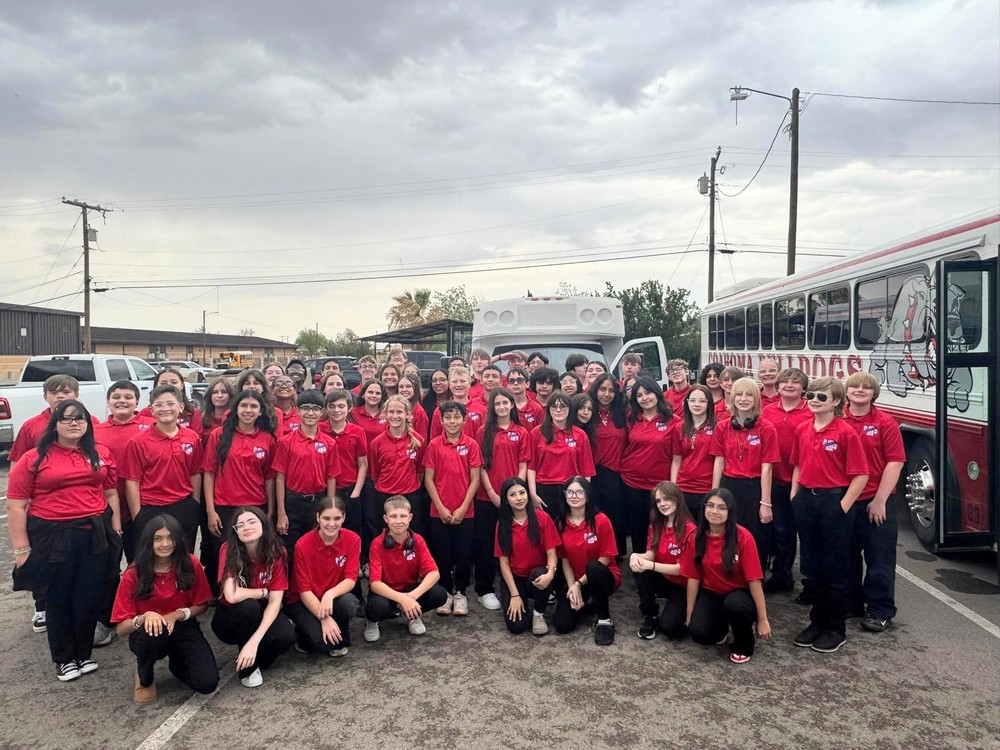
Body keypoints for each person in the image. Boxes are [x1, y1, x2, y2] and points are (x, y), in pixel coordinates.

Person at [7, 400, 121, 681]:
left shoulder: (100, 453)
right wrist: (22, 549)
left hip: (93, 535)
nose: (74, 423)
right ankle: (64, 658)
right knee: (58, 598)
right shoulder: (33, 458)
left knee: (87, 596)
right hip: (53, 537)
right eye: (67, 418)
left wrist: (116, 529)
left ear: (88, 423)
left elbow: (110, 494)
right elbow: (16, 505)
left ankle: (83, 653)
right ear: (54, 423)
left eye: (80, 418)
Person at [789, 377, 869, 653]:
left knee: (835, 569)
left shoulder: (846, 432)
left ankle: (835, 627)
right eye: (811, 395)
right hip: (806, 502)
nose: (813, 400)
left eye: (821, 397)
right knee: (812, 566)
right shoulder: (802, 428)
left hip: (833, 502)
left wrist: (842, 507)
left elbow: (861, 475)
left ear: (836, 401)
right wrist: (795, 496)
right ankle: (816, 621)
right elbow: (798, 465)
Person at [111, 515, 218, 705]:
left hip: (182, 626)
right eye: (158, 538)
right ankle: (145, 675)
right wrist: (144, 617)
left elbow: (202, 605)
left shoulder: (190, 563)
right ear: (148, 541)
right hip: (147, 633)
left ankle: (177, 661)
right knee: (152, 632)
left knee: (207, 683)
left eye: (170, 537)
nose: (165, 544)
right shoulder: (133, 573)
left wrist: (177, 614)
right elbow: (121, 629)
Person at [843, 372, 904, 633]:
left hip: (874, 500)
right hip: (844, 500)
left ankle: (879, 610)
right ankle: (852, 602)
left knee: (879, 559)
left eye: (866, 387)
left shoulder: (885, 423)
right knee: (846, 557)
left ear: (874, 393)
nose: (859, 390)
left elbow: (895, 462)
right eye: (854, 386)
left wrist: (880, 500)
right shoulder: (835, 419)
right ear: (845, 391)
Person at [682, 488, 771, 664]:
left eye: (722, 508)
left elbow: (754, 580)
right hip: (711, 592)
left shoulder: (743, 537)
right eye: (711, 506)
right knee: (700, 633)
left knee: (735, 605)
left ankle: (743, 643)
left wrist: (763, 619)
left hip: (740, 593)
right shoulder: (695, 537)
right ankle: (721, 627)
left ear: (730, 511)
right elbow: (693, 577)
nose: (715, 511)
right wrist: (689, 614)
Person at [202, 390, 277, 597]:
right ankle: (224, 596)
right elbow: (209, 473)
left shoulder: (267, 439)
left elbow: (269, 477)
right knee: (226, 553)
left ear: (260, 411)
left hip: (256, 506)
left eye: (254, 406)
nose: (248, 410)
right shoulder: (219, 435)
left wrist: (269, 511)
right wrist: (210, 510)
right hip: (224, 506)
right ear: (235, 408)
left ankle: (251, 593)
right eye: (244, 405)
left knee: (253, 553)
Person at [212, 507, 295, 687]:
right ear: (235, 531)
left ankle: (252, 652)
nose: (246, 527)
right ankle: (248, 668)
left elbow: (275, 602)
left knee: (285, 637)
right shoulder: (228, 549)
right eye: (239, 525)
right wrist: (263, 592)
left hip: (263, 609)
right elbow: (232, 595)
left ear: (264, 525)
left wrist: (254, 642)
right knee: (248, 606)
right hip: (230, 617)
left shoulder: (277, 552)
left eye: (252, 522)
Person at [122, 385, 204, 553]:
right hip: (151, 507)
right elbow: (132, 482)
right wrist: (138, 516)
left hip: (183, 505)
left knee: (184, 557)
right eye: (159, 405)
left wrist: (194, 505)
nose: (165, 409)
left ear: (180, 407)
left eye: (170, 404)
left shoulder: (192, 437)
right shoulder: (138, 442)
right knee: (151, 559)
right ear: (151, 410)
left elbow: (195, 473)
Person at [710, 377, 778, 573]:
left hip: (754, 488)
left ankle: (754, 577)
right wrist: (715, 493)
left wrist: (765, 503)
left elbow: (767, 467)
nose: (743, 398)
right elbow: (719, 461)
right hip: (729, 486)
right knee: (727, 533)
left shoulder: (766, 428)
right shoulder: (722, 426)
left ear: (756, 399)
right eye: (739, 394)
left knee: (755, 537)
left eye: (749, 394)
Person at [423, 402, 483, 616]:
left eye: (457, 417)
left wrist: (462, 508)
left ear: (465, 420)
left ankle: (461, 593)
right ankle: (446, 593)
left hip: (465, 511)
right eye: (447, 417)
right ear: (441, 421)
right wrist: (440, 507)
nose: (452, 421)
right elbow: (428, 479)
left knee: (464, 554)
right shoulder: (434, 445)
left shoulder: (472, 445)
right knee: (442, 553)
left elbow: (475, 479)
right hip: (438, 510)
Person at [475, 388, 531, 611]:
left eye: (505, 403)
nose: (501, 407)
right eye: (497, 403)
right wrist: (492, 493)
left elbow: (523, 464)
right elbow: (480, 465)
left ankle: (517, 586)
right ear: (492, 407)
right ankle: (484, 589)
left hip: (514, 498)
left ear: (511, 405)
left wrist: (517, 492)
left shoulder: (522, 432)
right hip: (487, 497)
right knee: (486, 544)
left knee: (514, 543)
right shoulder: (482, 432)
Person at [363, 496, 448, 642]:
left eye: (403, 516)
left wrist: (412, 597)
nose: (398, 521)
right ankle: (372, 621)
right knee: (377, 607)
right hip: (386, 592)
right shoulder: (377, 543)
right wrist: (402, 599)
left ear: (410, 518)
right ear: (385, 518)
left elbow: (434, 573)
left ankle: (412, 615)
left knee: (439, 594)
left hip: (409, 589)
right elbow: (375, 583)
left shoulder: (418, 540)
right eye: (393, 516)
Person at [285, 496, 361, 658]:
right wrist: (324, 619)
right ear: (318, 517)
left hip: (331, 598)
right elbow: (304, 591)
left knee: (349, 603)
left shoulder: (353, 539)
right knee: (319, 643)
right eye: (326, 518)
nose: (331, 524)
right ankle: (302, 633)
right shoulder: (302, 545)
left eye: (337, 518)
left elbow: (350, 579)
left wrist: (329, 594)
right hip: (304, 601)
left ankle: (338, 631)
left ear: (344, 518)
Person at [761, 368, 812, 595]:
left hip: (804, 481)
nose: (789, 385)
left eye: (795, 382)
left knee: (808, 534)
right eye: (785, 382)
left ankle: (812, 585)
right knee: (782, 532)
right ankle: (782, 576)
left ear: (804, 388)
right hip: (777, 480)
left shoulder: (811, 410)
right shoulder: (767, 411)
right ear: (778, 386)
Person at [273, 390, 339, 561]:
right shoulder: (286, 442)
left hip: (318, 501)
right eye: (306, 408)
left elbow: (331, 477)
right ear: (298, 411)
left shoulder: (329, 443)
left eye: (316, 409)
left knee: (316, 549)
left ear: (322, 412)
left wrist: (329, 508)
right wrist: (281, 513)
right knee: (290, 551)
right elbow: (279, 478)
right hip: (292, 502)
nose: (310, 413)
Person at [94, 380, 155, 565]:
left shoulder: (152, 426)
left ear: (137, 402)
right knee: (108, 563)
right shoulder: (95, 432)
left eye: (128, 397)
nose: (122, 401)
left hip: (143, 504)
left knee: (141, 561)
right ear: (108, 402)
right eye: (116, 397)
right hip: (108, 505)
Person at [554, 477, 621, 645]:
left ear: (588, 496)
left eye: (579, 492)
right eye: (569, 492)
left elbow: (605, 558)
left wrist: (578, 584)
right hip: (577, 579)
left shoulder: (601, 520)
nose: (574, 496)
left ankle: (604, 620)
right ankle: (587, 602)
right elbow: (564, 559)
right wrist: (572, 588)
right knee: (562, 625)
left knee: (593, 567)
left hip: (603, 575)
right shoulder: (561, 523)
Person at [630, 481, 695, 640]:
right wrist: (635, 556)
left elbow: (682, 569)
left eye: (666, 499)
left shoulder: (690, 530)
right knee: (639, 568)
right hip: (663, 579)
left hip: (682, 585)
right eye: (658, 501)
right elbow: (651, 554)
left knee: (670, 628)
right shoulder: (656, 525)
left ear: (677, 499)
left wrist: (650, 565)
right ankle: (650, 615)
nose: (662, 504)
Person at [495, 477, 559, 636]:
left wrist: (550, 574)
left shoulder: (543, 518)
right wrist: (515, 595)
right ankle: (522, 602)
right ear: (506, 500)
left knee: (542, 573)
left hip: (537, 575)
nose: (518, 498)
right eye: (512, 495)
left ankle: (539, 613)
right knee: (517, 627)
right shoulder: (502, 525)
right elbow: (503, 563)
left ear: (528, 495)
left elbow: (552, 554)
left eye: (522, 493)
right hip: (515, 578)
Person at [620, 378, 676, 554]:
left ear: (657, 393)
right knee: (638, 530)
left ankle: (661, 567)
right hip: (631, 483)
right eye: (639, 395)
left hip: (659, 486)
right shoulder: (631, 419)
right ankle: (639, 569)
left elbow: (677, 455)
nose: (644, 398)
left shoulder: (673, 420)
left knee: (660, 527)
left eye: (648, 392)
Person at [527, 390, 596, 518]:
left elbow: (587, 470)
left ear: (570, 409)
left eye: (563, 406)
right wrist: (533, 494)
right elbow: (531, 467)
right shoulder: (536, 433)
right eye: (554, 406)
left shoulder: (580, 435)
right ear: (548, 409)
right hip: (544, 489)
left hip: (571, 490)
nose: (558, 410)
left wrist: (583, 495)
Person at [368, 395, 426, 534]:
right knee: (385, 536)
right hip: (384, 495)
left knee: (411, 536)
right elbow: (375, 471)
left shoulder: (418, 441)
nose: (395, 416)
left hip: (411, 495)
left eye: (399, 412)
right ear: (385, 414)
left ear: (408, 415)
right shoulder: (377, 442)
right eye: (391, 412)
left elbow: (420, 470)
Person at [320, 388, 369, 550]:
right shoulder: (319, 429)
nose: (336, 410)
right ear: (326, 408)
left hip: (349, 489)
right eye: (332, 406)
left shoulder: (357, 431)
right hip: (325, 489)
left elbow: (363, 464)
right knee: (327, 530)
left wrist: (356, 492)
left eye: (341, 406)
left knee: (352, 531)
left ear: (349, 408)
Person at [588, 373, 628, 558]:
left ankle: (615, 552)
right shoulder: (587, 413)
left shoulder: (622, 413)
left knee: (615, 513)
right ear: (595, 390)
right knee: (594, 513)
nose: (606, 394)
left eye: (611, 390)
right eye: (603, 389)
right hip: (592, 472)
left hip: (616, 472)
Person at [670, 384, 717, 521]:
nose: (697, 404)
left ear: (709, 404)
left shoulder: (717, 427)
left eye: (702, 401)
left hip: (707, 489)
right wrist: (674, 487)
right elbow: (676, 459)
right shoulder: (679, 427)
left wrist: (714, 490)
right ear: (687, 403)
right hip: (684, 488)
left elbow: (719, 461)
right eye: (693, 400)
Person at [138, 368, 204, 440]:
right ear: (156, 386)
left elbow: (197, 439)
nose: (169, 385)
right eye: (163, 383)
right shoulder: (146, 413)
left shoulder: (192, 412)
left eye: (174, 382)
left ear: (182, 385)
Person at [430, 366, 485, 439]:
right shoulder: (439, 411)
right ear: (449, 385)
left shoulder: (481, 410)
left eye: (462, 381)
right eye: (454, 381)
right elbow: (434, 439)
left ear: (469, 384)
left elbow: (485, 438)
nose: (458, 385)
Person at [351, 379, 388, 446]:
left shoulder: (388, 414)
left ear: (382, 397)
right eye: (370, 392)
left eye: (378, 393)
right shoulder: (352, 413)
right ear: (363, 395)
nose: (374, 395)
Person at [397, 372, 429, 438]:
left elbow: (422, 439)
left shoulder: (419, 412)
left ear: (415, 389)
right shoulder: (395, 408)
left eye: (408, 386)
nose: (404, 390)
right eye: (401, 387)